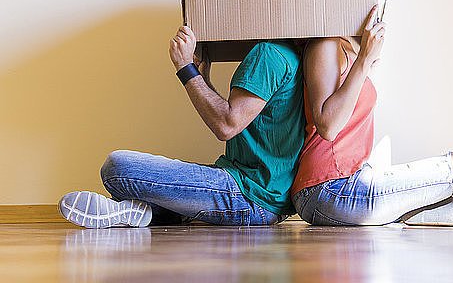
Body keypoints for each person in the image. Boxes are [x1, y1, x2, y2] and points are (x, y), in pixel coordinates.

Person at [58, 26, 305, 228]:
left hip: (248, 194)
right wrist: (203, 79)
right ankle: (130, 212)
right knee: (153, 180)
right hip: (265, 198)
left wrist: (185, 68)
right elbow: (235, 117)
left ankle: (147, 209)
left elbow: (226, 125)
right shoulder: (290, 55)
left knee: (117, 166)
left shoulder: (269, 53)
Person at [291, 5, 453, 226]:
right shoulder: (324, 43)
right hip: (327, 190)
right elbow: (328, 127)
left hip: (352, 181)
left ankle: (427, 214)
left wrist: (364, 59)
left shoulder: (347, 48)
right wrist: (364, 60)